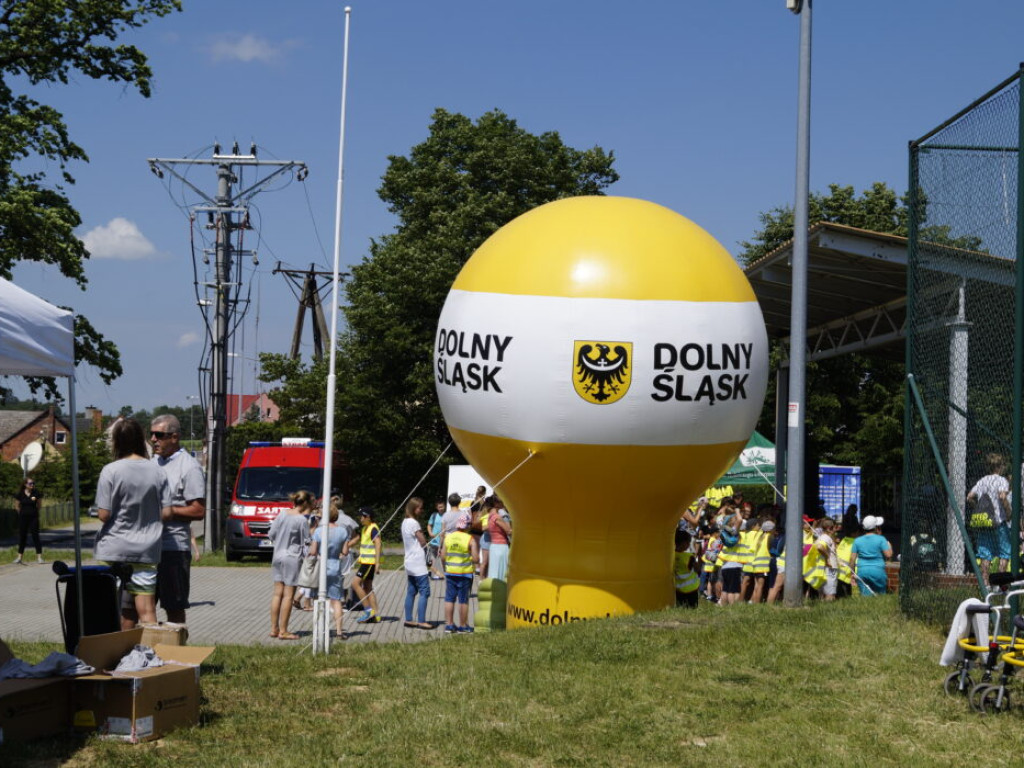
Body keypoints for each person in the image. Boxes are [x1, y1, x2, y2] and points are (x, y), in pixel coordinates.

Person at [93, 419, 173, 629]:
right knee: (147, 610)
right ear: (141, 439)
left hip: (114, 548)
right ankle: (150, 647)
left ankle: (114, 647)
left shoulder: (110, 470)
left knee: (111, 608)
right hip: (146, 549)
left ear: (116, 441)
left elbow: (103, 514)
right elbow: (167, 513)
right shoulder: (158, 471)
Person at [149, 414, 206, 625]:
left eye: (159, 435)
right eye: (151, 434)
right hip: (145, 546)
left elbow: (199, 510)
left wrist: (168, 511)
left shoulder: (189, 467)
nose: (153, 439)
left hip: (173, 548)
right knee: (140, 608)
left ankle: (176, 645)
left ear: (174, 437)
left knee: (173, 607)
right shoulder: (150, 463)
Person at [268, 489, 312, 639]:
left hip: (277, 556)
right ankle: (284, 631)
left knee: (277, 594)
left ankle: (273, 629)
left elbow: (271, 534)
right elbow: (307, 541)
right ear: (305, 503)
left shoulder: (282, 514)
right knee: (288, 596)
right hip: (292, 558)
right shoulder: (302, 520)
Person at [308, 495, 350, 639]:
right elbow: (345, 551)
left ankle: (320, 628)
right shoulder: (343, 531)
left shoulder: (319, 531)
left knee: (318, 599)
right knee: (336, 600)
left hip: (321, 567)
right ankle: (339, 630)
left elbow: (313, 551)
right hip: (335, 566)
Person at [967, 452, 1011, 579]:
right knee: (1004, 552)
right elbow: (1002, 497)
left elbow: (969, 497)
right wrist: (1008, 512)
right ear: (1000, 466)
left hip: (985, 521)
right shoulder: (1001, 480)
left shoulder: (982, 481)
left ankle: (985, 583)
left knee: (985, 553)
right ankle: (1000, 582)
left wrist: (977, 507)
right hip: (999, 520)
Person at [441, 511, 479, 633]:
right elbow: (476, 558)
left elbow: (443, 556)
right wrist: (472, 558)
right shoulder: (470, 539)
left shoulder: (448, 537)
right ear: (467, 526)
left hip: (450, 572)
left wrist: (446, 568)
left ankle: (449, 625)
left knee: (449, 599)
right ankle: (463, 626)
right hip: (464, 574)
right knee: (463, 600)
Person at [344, 506, 382, 623]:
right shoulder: (365, 528)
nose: (360, 519)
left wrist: (377, 563)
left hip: (369, 563)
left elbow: (378, 543)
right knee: (368, 588)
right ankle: (376, 615)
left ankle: (368, 610)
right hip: (365, 562)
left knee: (355, 584)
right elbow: (360, 541)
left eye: (362, 517)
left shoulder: (373, 528)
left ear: (368, 517)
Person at [401, 497, 432, 629]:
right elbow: (422, 541)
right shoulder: (414, 523)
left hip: (409, 561)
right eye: (420, 508)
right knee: (424, 592)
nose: (422, 510)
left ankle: (409, 619)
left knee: (411, 591)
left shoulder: (404, 522)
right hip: (418, 562)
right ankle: (421, 621)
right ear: (414, 508)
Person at [849, 515, 893, 596]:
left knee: (865, 597)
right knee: (880, 597)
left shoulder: (857, 541)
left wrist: (852, 573)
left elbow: (852, 559)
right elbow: (888, 555)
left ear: (863, 527)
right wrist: (889, 546)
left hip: (862, 571)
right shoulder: (881, 539)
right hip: (878, 571)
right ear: (875, 527)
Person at [14, 477, 43, 564]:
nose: (32, 485)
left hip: (33, 518)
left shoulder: (36, 493)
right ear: (25, 484)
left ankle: (39, 557)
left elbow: (39, 505)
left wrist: (34, 512)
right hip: (23, 518)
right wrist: (21, 513)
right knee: (22, 537)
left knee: (35, 536)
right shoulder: (20, 494)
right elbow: (17, 506)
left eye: (33, 483)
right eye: (30, 483)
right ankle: (19, 557)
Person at [486, 495, 512, 581]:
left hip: (494, 546)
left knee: (494, 571)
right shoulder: (497, 517)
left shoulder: (490, 516)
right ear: (496, 504)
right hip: (501, 547)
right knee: (501, 572)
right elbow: (508, 530)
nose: (503, 503)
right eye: (501, 502)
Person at [814, 518, 839, 602]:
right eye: (834, 527)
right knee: (830, 594)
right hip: (829, 569)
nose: (835, 530)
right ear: (829, 528)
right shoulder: (826, 538)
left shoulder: (822, 537)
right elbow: (819, 547)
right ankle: (829, 608)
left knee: (822, 594)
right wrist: (828, 558)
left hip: (823, 568)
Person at [674, 529, 699, 608]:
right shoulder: (689, 556)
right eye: (688, 542)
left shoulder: (671, 555)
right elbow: (697, 569)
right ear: (684, 543)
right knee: (692, 608)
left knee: (680, 607)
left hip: (677, 589)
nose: (688, 545)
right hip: (691, 589)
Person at [427, 499, 446, 581]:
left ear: (444, 506)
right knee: (433, 558)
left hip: (444, 541)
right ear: (437, 508)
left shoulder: (446, 515)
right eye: (439, 507)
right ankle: (433, 573)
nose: (441, 508)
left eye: (442, 507)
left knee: (443, 557)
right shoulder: (434, 515)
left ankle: (446, 573)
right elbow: (429, 525)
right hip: (434, 541)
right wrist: (430, 533)